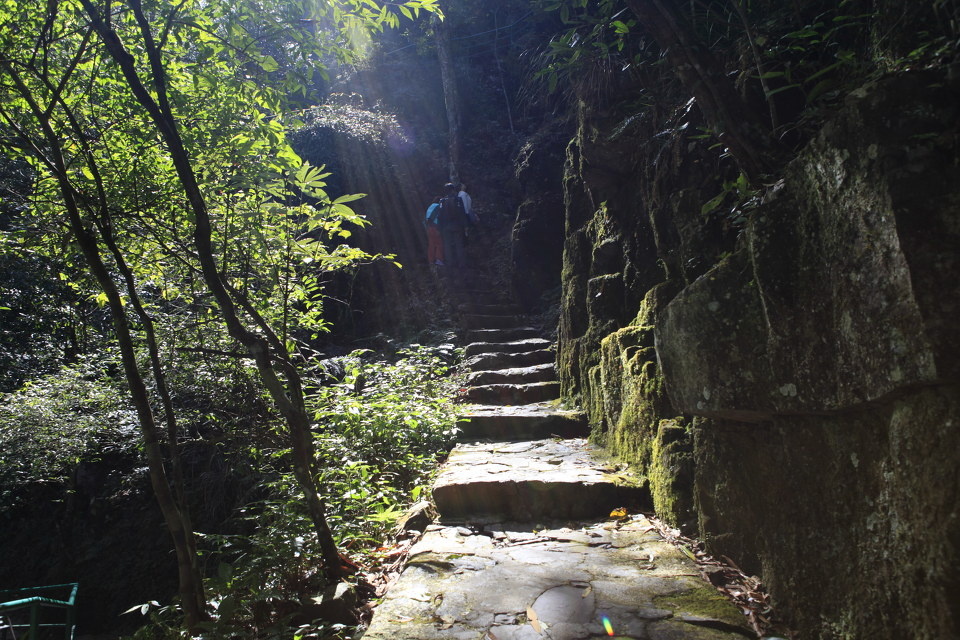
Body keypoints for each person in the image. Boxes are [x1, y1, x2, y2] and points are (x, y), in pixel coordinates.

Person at [437, 182, 467, 268]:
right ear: (453, 190)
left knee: (447, 245)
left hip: (446, 226)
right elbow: (462, 213)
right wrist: (465, 226)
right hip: (457, 225)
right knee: (459, 244)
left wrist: (440, 228)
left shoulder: (442, 201)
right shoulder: (458, 199)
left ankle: (450, 264)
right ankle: (461, 264)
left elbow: (439, 215)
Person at [424, 197, 444, 265]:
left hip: (429, 227)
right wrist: (438, 228)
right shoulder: (438, 206)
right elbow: (438, 217)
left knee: (431, 244)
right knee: (439, 243)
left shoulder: (429, 207)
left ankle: (431, 260)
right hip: (435, 227)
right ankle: (439, 260)